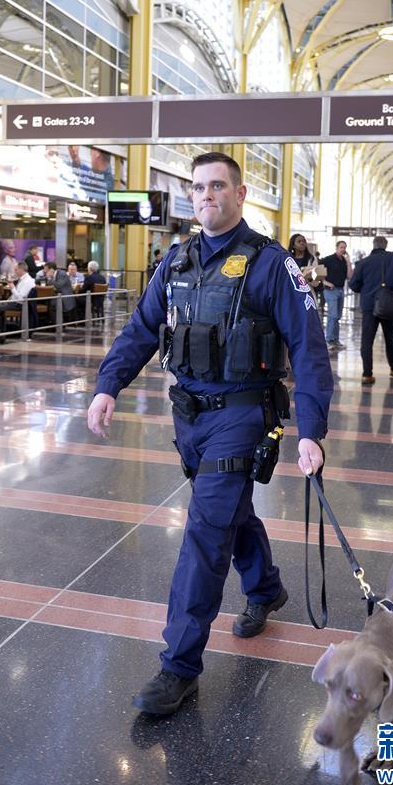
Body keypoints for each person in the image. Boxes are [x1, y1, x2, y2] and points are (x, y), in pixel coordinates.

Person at [87, 152, 332, 716]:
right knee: (227, 512)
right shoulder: (175, 261)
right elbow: (142, 328)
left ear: (240, 194)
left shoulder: (271, 263)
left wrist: (311, 430)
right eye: (198, 187)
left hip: (243, 415)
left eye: (217, 186)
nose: (206, 196)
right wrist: (108, 385)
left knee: (204, 530)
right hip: (189, 417)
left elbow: (309, 349)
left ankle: (179, 666)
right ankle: (265, 588)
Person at [348, 236, 393, 385]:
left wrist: (366, 290)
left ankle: (367, 374)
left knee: (367, 340)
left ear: (373, 245)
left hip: (369, 306)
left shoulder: (363, 262)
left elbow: (353, 284)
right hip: (388, 304)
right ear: (385, 245)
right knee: (390, 336)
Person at [319, 240, 352, 351]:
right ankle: (328, 340)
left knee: (337, 317)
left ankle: (335, 340)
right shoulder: (328, 259)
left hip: (340, 290)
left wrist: (348, 262)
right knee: (333, 316)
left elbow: (349, 276)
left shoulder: (344, 261)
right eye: (341, 247)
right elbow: (316, 269)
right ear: (336, 248)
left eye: (345, 247)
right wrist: (324, 282)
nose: (343, 249)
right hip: (330, 290)